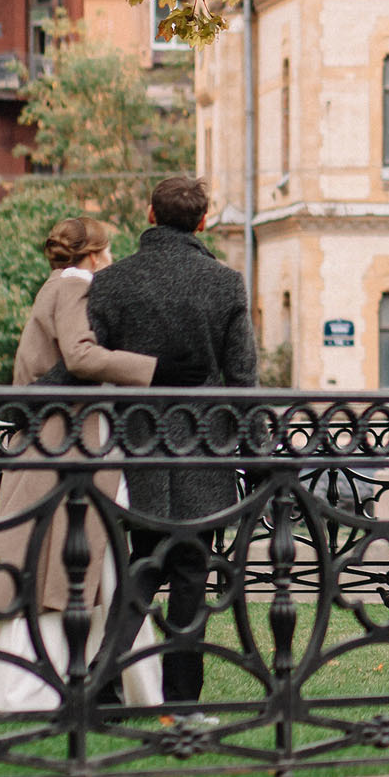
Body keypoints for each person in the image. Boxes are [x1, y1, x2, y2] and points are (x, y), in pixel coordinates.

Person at [0, 218, 163, 714]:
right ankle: (62, 682)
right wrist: (149, 369)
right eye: (109, 250)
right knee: (68, 562)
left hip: (51, 439)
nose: (112, 259)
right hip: (70, 443)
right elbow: (79, 356)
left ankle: (55, 678)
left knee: (42, 560)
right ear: (94, 254)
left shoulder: (52, 286)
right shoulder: (76, 286)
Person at [88, 174, 256, 703]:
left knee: (141, 567)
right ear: (203, 221)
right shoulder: (225, 283)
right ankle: (183, 699)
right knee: (190, 576)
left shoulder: (112, 283)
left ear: (150, 214)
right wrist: (257, 452)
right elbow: (242, 381)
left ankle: (103, 687)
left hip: (134, 449)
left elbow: (92, 365)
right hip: (203, 453)